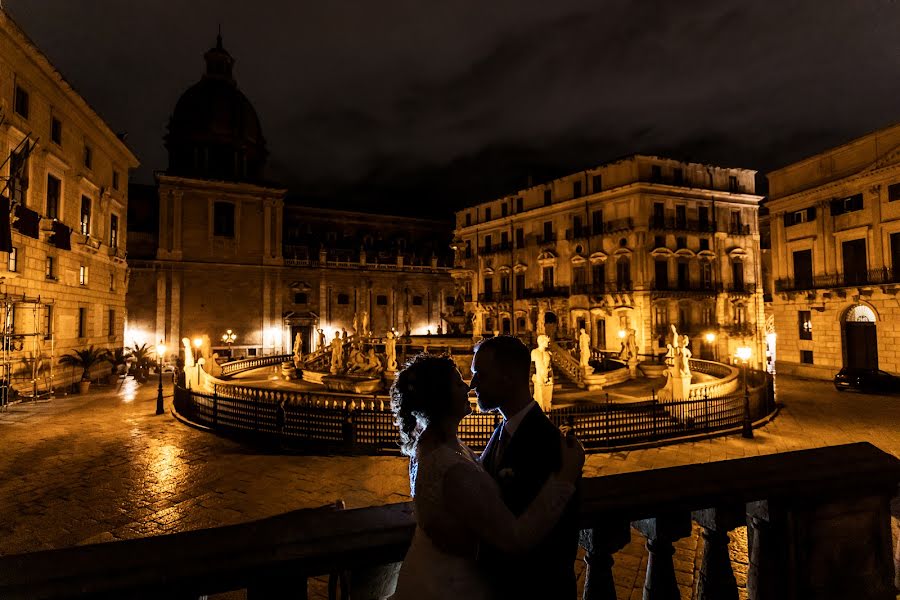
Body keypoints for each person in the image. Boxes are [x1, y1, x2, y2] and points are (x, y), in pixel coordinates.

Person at [391, 350, 584, 600]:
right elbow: (514, 537)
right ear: (442, 397)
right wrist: (565, 478)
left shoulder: (437, 445)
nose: (470, 385)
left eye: (477, 375)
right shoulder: (449, 465)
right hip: (454, 585)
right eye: (460, 382)